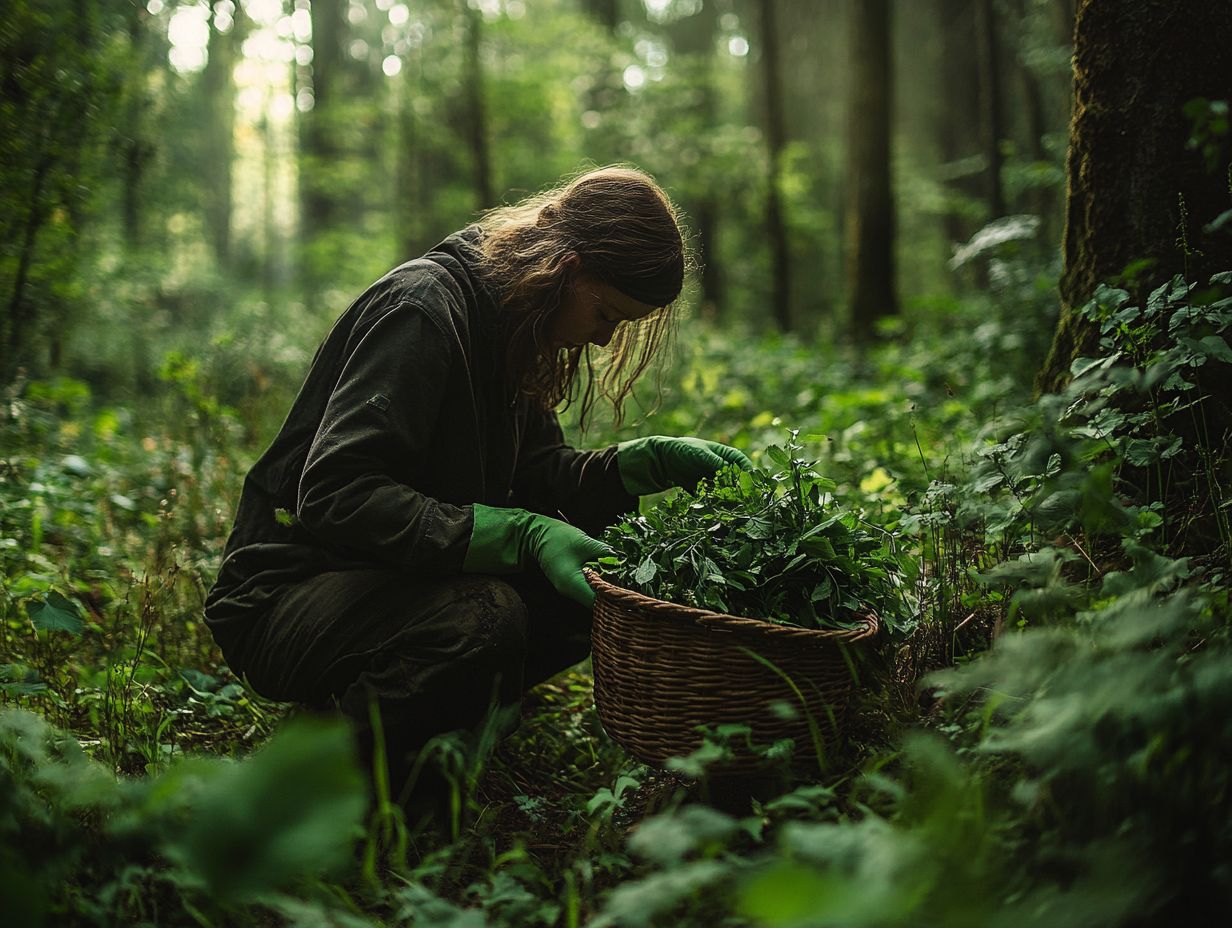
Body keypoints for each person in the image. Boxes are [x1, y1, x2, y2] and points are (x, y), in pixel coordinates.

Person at [202, 166, 751, 820]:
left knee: (606, 587)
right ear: (567, 266)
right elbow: (337, 492)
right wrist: (516, 535)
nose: (605, 339)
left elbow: (545, 474)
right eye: (605, 314)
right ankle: (310, 787)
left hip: (384, 579)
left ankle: (426, 721)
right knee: (485, 619)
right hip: (287, 593)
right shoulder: (423, 312)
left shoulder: (514, 316)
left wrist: (639, 466)